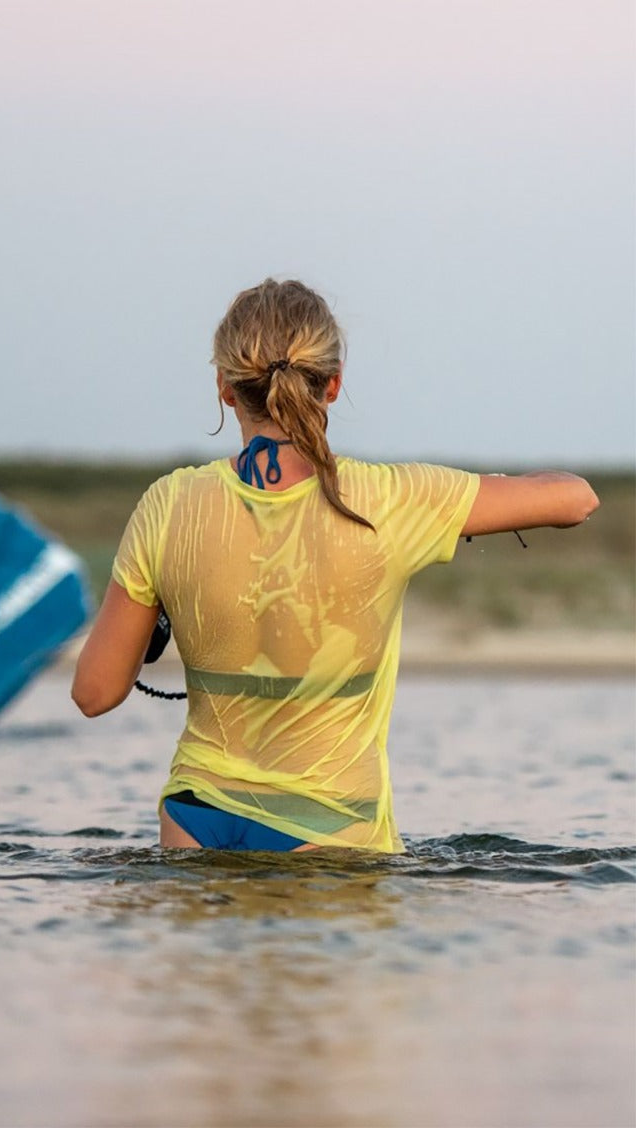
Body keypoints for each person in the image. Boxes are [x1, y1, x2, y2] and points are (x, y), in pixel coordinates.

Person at [71, 278, 598, 853]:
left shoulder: (167, 504)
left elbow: (94, 693)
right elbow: (575, 499)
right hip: (329, 830)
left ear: (224, 386)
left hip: (195, 821)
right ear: (335, 384)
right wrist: (470, 498)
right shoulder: (391, 499)